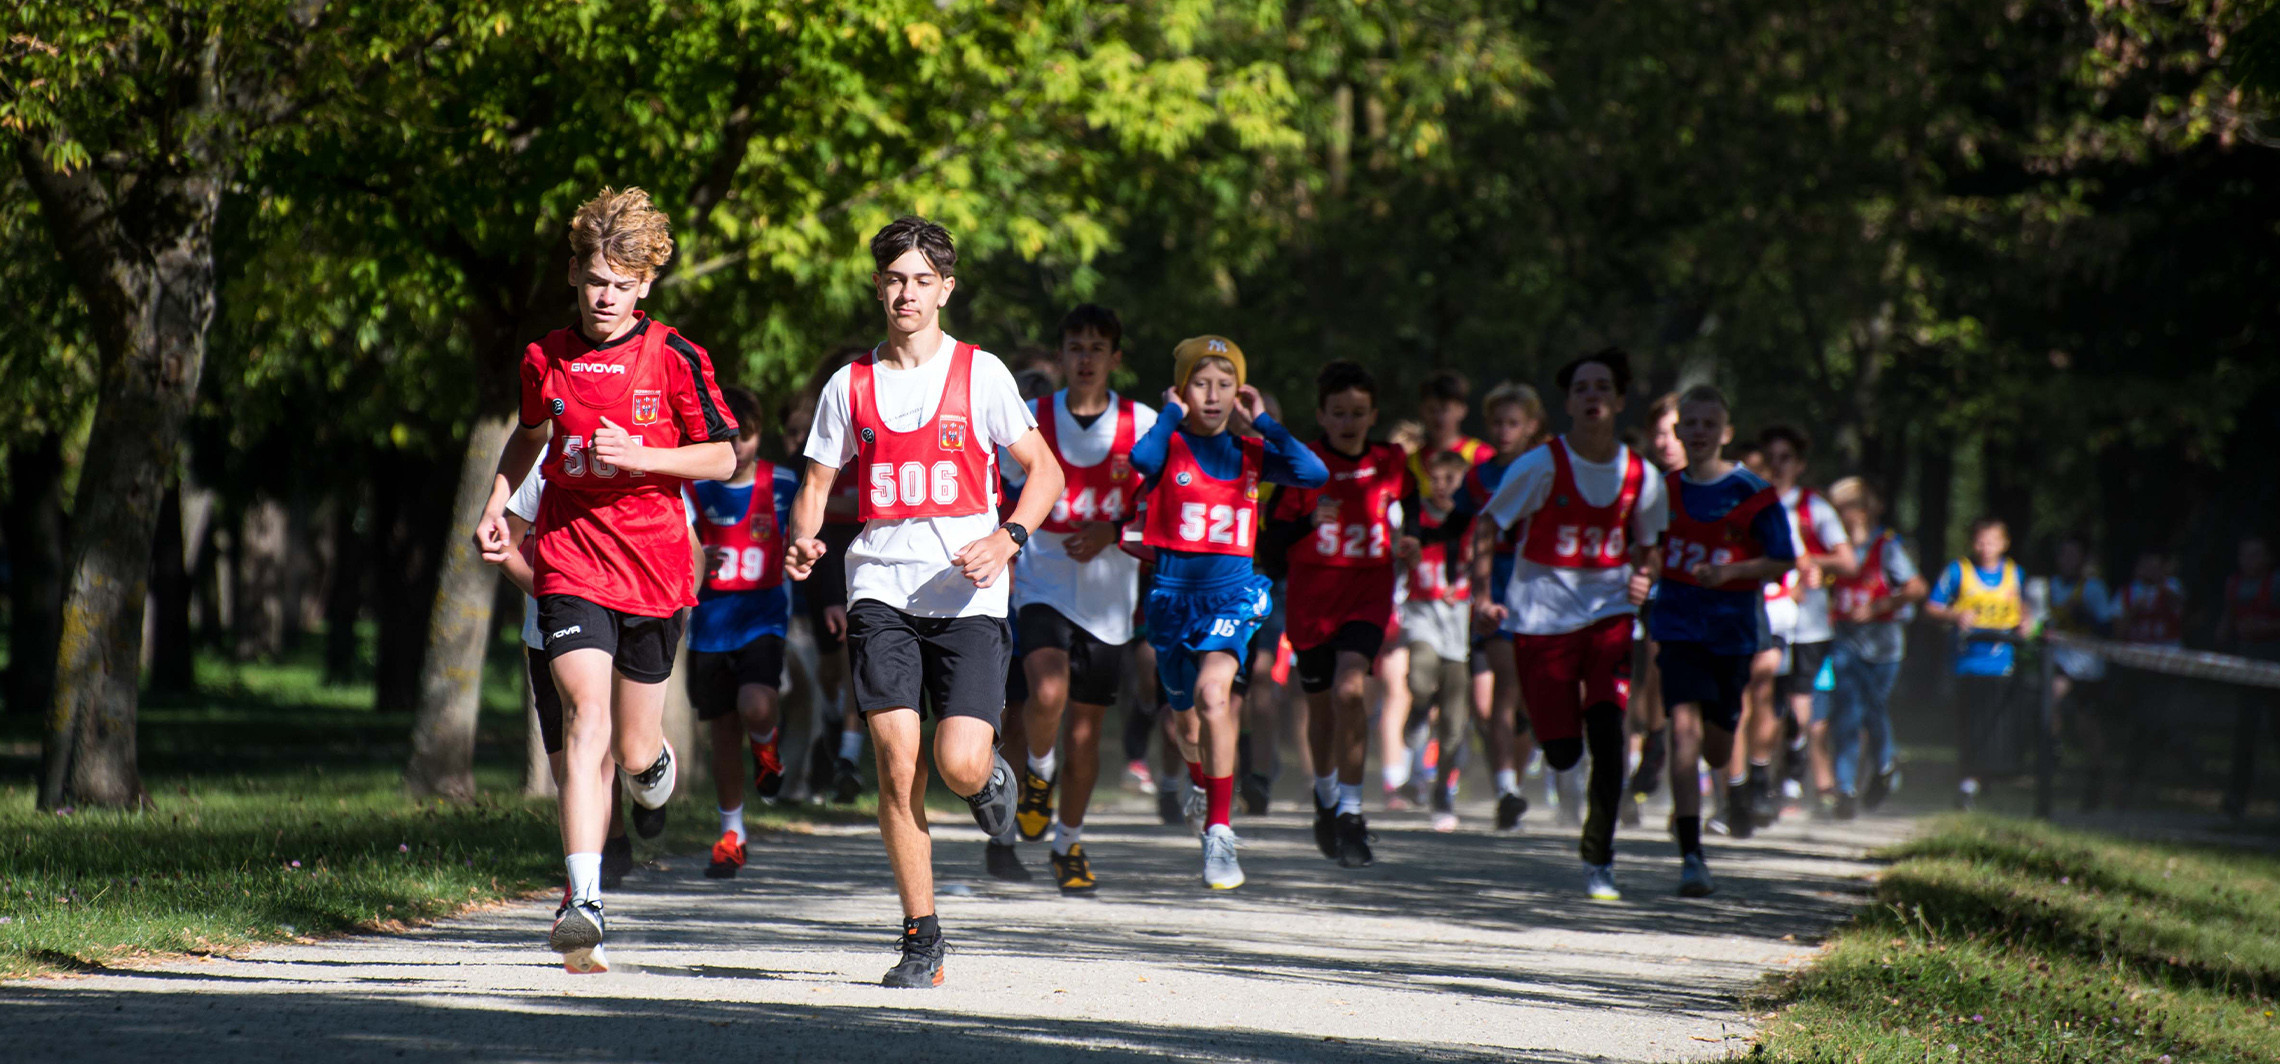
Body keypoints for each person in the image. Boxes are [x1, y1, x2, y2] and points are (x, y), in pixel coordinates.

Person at [784, 216, 1064, 988]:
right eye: (893, 279)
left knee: (959, 762)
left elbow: (1044, 474)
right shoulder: (851, 384)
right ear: (880, 286)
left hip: (970, 595)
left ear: (945, 288)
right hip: (881, 588)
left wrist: (1008, 537)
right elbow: (814, 485)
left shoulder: (982, 374)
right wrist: (806, 540)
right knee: (898, 762)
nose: (905, 292)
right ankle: (922, 938)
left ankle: (991, 780)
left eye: (920, 279)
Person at [472, 187, 740, 973]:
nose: (606, 298)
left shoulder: (676, 357)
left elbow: (722, 456)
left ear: (647, 284)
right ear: (575, 275)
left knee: (630, 746)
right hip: (570, 559)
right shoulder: (544, 358)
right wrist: (496, 503)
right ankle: (584, 900)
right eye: (595, 281)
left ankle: (653, 774)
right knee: (582, 713)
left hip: (654, 566)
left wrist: (647, 457)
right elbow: (528, 440)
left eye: (623, 285)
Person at [1133, 335, 1327, 889]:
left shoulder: (1250, 453)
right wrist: (1170, 414)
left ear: (1239, 392)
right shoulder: (1167, 445)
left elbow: (1313, 475)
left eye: (1224, 385)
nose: (1212, 396)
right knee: (1184, 725)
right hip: (1171, 598)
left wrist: (1265, 423)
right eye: (1200, 384)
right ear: (1182, 389)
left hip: (1232, 595)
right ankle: (1203, 783)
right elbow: (1141, 460)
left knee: (1214, 695)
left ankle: (1219, 831)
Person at [1473, 349, 1666, 900]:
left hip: (1608, 617)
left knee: (1608, 732)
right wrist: (1482, 595)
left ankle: (1599, 855)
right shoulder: (1540, 465)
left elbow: (1650, 547)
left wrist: (1643, 580)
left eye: (1603, 387)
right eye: (1582, 388)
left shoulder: (1641, 476)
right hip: (1541, 618)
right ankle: (1559, 765)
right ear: (1570, 402)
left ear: (1620, 400)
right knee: (1562, 747)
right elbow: (1489, 524)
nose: (1593, 396)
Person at [1002, 304, 1157, 894]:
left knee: (1087, 733)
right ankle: (1039, 771)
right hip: (1042, 582)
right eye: (1075, 347)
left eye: (1098, 348)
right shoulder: (1030, 418)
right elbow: (998, 490)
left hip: (1111, 599)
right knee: (1045, 689)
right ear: (1061, 356)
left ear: (1115, 358)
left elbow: (1166, 510)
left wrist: (1115, 532)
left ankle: (1068, 843)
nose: (1086, 358)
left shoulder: (1144, 424)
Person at [1644, 385, 1794, 898]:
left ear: (1726, 433)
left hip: (1732, 633)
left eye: (1711, 424)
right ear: (1679, 431)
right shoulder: (1661, 492)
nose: (1701, 432)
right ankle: (1691, 854)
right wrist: (1642, 577)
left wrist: (1731, 571)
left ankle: (1722, 783)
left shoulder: (1754, 493)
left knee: (1715, 746)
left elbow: (1782, 560)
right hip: (1678, 627)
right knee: (1682, 733)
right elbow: (1644, 549)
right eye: (1692, 423)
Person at [1267, 360, 1413, 867]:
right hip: (1312, 603)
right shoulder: (1304, 467)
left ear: (1372, 415)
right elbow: (1271, 544)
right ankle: (1325, 797)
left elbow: (1414, 510)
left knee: (1352, 690)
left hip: (1368, 595)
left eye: (1358, 412)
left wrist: (1412, 538)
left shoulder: (1392, 461)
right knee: (1322, 707)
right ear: (1322, 416)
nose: (1348, 421)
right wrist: (1310, 519)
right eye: (1338, 413)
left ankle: (1352, 813)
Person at [486, 456, 635, 894]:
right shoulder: (540, 467)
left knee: (592, 754)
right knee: (567, 770)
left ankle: (581, 889)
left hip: (607, 636)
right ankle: (614, 837)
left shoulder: (630, 456)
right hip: (545, 634)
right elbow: (503, 547)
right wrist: (555, 594)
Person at [689, 386, 803, 878]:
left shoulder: (784, 483)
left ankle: (767, 742)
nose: (736, 449)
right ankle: (731, 833)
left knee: (756, 702)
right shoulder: (692, 486)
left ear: (760, 437)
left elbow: (807, 538)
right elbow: (672, 546)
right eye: (725, 437)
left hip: (763, 616)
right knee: (721, 731)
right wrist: (692, 560)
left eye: (746, 437)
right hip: (708, 625)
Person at [1454, 381, 1549, 830]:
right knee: (1503, 689)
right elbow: (1457, 524)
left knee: (1533, 697)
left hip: (1541, 590)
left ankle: (1521, 773)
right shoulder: (1478, 477)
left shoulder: (1546, 471)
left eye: (1514, 423)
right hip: (1494, 588)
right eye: (1497, 422)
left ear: (1531, 426)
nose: (1504, 431)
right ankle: (1506, 789)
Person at [1752, 426, 1857, 826]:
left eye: (1786, 458)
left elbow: (1846, 561)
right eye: (1771, 457)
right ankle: (1760, 780)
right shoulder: (1752, 505)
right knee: (1765, 701)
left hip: (1810, 625)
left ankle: (1791, 781)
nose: (1778, 466)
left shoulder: (1815, 507)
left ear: (1799, 465)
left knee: (1799, 708)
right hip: (1764, 618)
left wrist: (1811, 562)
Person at [788, 346, 874, 804]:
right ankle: (831, 725)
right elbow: (812, 494)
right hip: (823, 551)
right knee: (829, 664)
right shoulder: (821, 422)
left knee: (851, 649)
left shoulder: (878, 421)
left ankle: (847, 756)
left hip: (865, 554)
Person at [1819, 477, 1925, 818]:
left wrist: (1878, 607)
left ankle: (1884, 766)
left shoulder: (1887, 546)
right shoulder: (1834, 550)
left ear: (1862, 510)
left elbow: (1916, 588)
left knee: (1874, 710)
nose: (1838, 516)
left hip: (1884, 645)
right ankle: (1845, 789)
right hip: (1846, 640)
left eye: (1844, 509)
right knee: (1847, 713)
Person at [1924, 519, 2031, 810]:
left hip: (2002, 662)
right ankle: (1968, 780)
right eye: (1981, 541)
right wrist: (1954, 616)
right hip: (1967, 662)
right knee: (1970, 725)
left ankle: (1985, 778)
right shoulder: (1958, 571)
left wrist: (2026, 622)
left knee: (1997, 724)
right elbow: (1932, 607)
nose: (1987, 547)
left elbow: (2024, 607)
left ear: (2005, 543)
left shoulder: (2014, 574)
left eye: (1993, 541)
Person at [1621, 391, 1688, 824]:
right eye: (1658, 433)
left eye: (1674, 433)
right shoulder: (1646, 485)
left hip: (1709, 600)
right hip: (1656, 598)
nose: (1666, 442)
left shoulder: (1722, 485)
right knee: (1649, 671)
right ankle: (1653, 748)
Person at [1406, 449, 1480, 832]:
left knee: (1454, 720)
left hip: (1458, 622)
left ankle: (1442, 790)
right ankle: (1420, 707)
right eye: (1436, 478)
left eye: (1452, 479)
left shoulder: (1472, 520)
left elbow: (1481, 562)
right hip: (1422, 613)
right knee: (1419, 677)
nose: (1443, 486)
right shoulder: (1413, 517)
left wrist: (1473, 590)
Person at [2044, 535, 2119, 810]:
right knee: (2050, 698)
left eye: (2075, 555)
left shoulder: (2094, 589)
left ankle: (2096, 779)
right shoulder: (2050, 587)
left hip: (2090, 668)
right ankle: (2053, 749)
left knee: (2087, 728)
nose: (2069, 561)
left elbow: (2108, 629)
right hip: (2061, 661)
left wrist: (2084, 615)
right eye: (2064, 554)